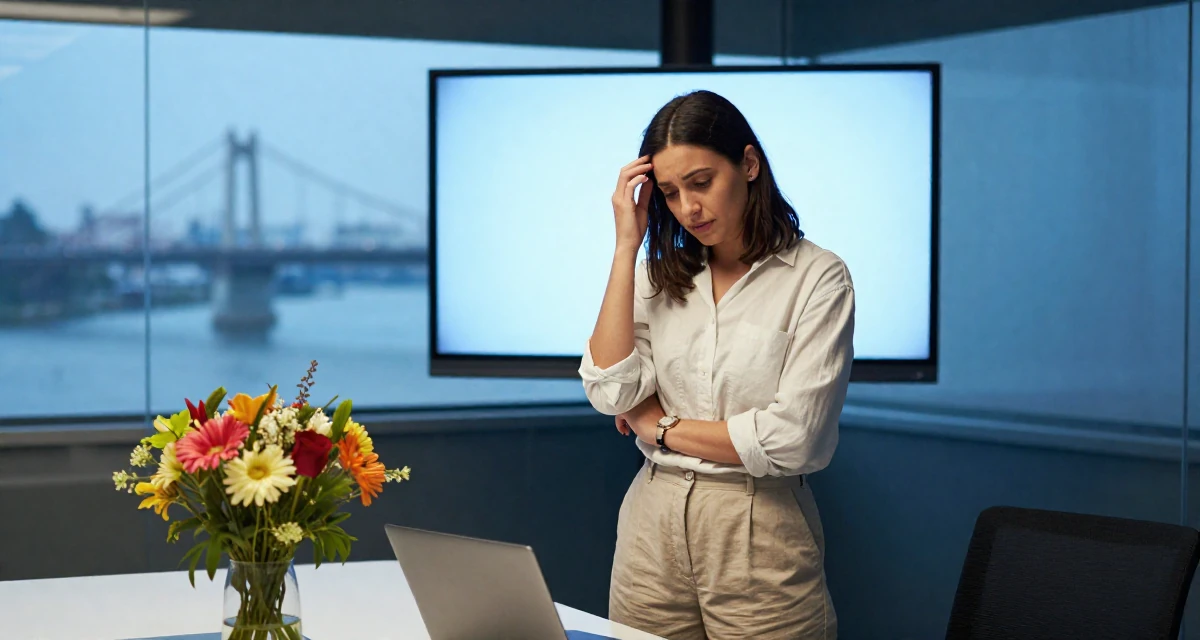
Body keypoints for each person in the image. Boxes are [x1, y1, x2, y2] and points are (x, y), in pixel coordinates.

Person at [578, 89, 855, 640]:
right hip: (651, 521)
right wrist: (625, 249)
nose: (687, 209)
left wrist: (659, 424)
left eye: (701, 183)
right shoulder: (656, 277)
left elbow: (794, 438)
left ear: (748, 165)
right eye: (670, 193)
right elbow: (610, 391)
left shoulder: (818, 278)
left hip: (760, 523)